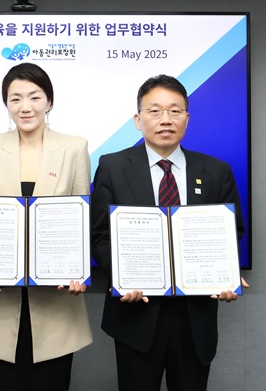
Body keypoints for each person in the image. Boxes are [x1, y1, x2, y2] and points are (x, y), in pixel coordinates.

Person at [91, 74, 248, 391]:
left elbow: (232, 232)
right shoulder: (113, 166)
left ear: (187, 119)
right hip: (135, 315)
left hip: (195, 318)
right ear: (138, 120)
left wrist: (226, 274)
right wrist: (123, 277)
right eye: (155, 111)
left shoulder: (216, 171)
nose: (166, 119)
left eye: (175, 111)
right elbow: (99, 235)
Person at [0, 62, 93, 391]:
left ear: (49, 101)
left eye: (35, 97)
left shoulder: (75, 147)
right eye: (15, 98)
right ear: (6, 104)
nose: (26, 107)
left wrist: (78, 270)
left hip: (56, 303)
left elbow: (81, 219)